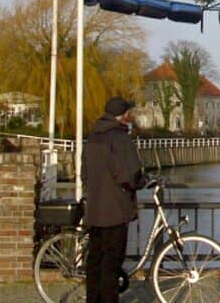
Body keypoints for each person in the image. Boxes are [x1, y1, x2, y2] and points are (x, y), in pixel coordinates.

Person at [82, 97, 147, 303]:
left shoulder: (92, 137)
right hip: (116, 209)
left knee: (95, 260)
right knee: (112, 261)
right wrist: (141, 182)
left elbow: (84, 172)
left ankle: (92, 299)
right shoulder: (121, 139)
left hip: (94, 209)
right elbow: (132, 173)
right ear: (124, 115)